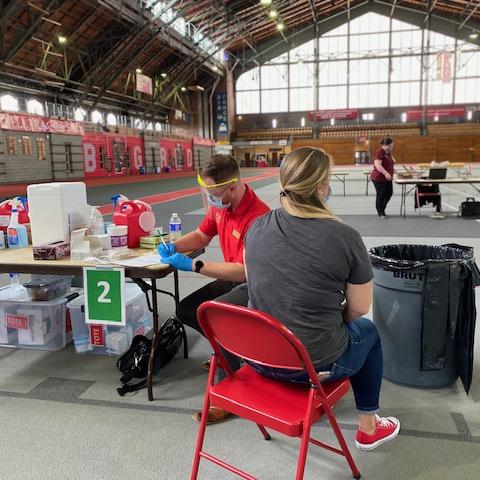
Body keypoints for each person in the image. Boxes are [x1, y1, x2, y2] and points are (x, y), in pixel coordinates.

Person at [244, 146, 400, 451]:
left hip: (258, 357)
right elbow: (358, 308)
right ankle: (369, 426)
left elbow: (257, 286)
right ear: (320, 188)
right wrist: (325, 316)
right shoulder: (345, 236)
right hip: (310, 366)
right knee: (368, 331)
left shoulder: (256, 226)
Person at [159, 154, 270, 423]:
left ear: (233, 187)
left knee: (219, 315)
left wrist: (195, 265)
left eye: (214, 192)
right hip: (233, 277)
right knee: (187, 310)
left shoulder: (258, 217)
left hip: (254, 285)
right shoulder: (220, 205)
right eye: (207, 191)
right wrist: (174, 245)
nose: (210, 197)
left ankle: (228, 396)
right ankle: (225, 352)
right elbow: (201, 235)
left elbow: (245, 270)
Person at [371, 137, 395, 219]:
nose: (392, 147)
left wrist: (393, 170)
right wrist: (386, 173)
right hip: (379, 178)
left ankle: (382, 209)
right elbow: (378, 165)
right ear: (385, 145)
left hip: (387, 178)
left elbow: (389, 164)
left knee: (389, 193)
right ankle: (380, 212)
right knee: (381, 195)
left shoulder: (387, 153)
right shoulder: (379, 152)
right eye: (391, 146)